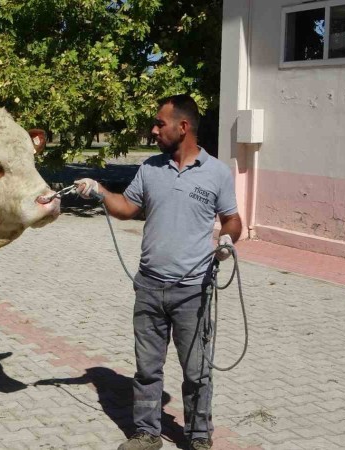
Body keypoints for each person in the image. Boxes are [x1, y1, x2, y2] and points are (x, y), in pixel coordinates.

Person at [74, 94, 242, 450]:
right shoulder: (150, 169)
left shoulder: (217, 173)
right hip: (149, 286)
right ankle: (148, 433)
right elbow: (127, 208)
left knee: (197, 371)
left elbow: (231, 219)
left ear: (183, 127)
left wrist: (227, 240)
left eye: (159, 123)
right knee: (147, 369)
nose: (153, 130)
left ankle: (198, 436)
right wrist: (100, 192)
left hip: (193, 291)